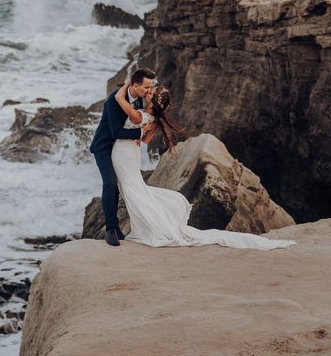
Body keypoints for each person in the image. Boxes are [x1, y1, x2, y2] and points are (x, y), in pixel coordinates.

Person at [111, 82, 297, 249]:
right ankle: (148, 227)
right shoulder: (152, 119)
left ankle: (152, 228)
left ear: (152, 101)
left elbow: (120, 100)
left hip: (126, 156)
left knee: (132, 189)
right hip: (129, 155)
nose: (148, 92)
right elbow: (143, 140)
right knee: (134, 189)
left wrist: (128, 85)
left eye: (150, 92)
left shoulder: (142, 117)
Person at [89, 68, 157, 246]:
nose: (149, 91)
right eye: (146, 87)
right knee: (110, 183)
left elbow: (142, 117)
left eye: (150, 88)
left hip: (121, 150)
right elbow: (116, 131)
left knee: (120, 186)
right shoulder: (114, 100)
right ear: (135, 85)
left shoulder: (141, 99)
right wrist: (141, 131)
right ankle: (110, 230)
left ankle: (117, 228)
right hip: (104, 147)